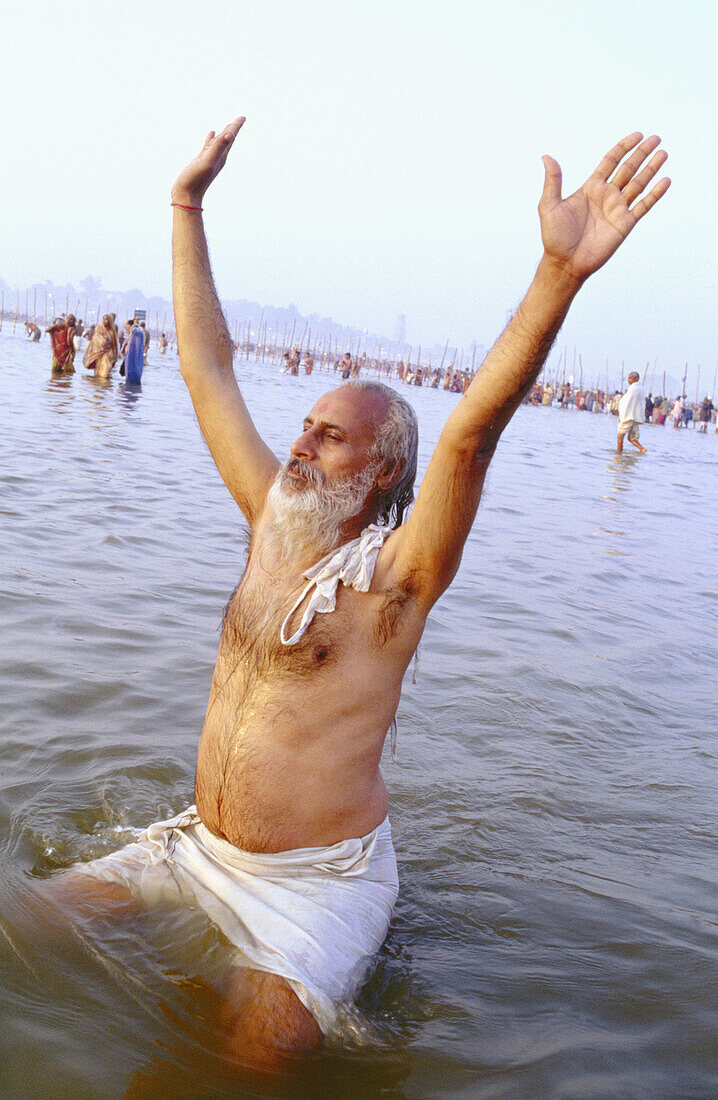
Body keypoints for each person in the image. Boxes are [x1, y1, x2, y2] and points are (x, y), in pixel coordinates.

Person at [43, 119, 669, 1070]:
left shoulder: (396, 582)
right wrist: (187, 206)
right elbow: (205, 367)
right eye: (305, 424)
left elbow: (469, 437)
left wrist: (560, 274)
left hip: (312, 883)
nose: (300, 444)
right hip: (196, 846)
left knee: (261, 1059)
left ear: (380, 474)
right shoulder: (272, 519)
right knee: (23, 926)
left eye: (330, 437)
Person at [616, 371, 647, 454]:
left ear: (636, 379)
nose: (628, 380)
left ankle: (619, 455)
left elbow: (627, 402)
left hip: (629, 416)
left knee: (620, 437)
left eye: (630, 378)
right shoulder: (641, 389)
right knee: (631, 438)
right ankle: (642, 449)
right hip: (636, 417)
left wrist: (623, 415)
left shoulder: (633, 389)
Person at [82, 314, 119, 378]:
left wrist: (115, 359)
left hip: (108, 355)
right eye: (103, 319)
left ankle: (106, 386)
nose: (104, 321)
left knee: (105, 374)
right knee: (98, 375)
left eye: (106, 319)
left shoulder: (112, 332)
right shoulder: (98, 329)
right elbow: (94, 341)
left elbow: (115, 346)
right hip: (98, 355)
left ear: (110, 321)